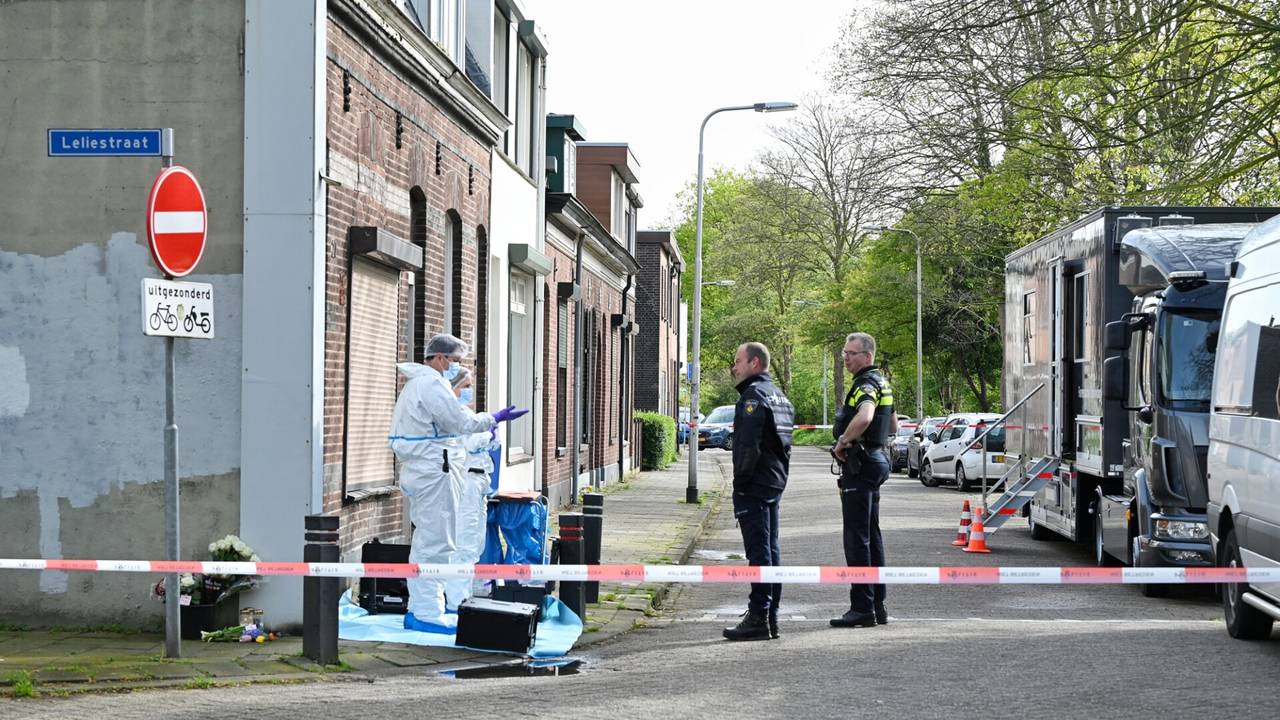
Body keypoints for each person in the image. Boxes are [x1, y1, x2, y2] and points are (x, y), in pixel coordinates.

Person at [388, 333, 527, 633]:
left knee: (433, 538)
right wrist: (493, 419)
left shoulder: (418, 385)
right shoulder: (431, 384)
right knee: (437, 542)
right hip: (435, 470)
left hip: (428, 468)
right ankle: (427, 613)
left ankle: (423, 609)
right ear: (440, 357)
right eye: (456, 361)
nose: (458, 368)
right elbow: (459, 422)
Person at [722, 342, 795, 641]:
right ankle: (770, 616)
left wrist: (740, 484)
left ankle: (758, 616)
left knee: (759, 553)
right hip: (774, 482)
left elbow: (747, 447)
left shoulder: (753, 397)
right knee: (771, 550)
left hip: (756, 485)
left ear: (754, 363)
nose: (734, 367)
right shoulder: (781, 397)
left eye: (737, 361)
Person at [831, 332, 896, 628]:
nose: (846, 357)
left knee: (857, 539)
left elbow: (866, 416)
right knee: (872, 536)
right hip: (877, 459)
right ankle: (877, 605)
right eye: (845, 352)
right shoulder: (883, 382)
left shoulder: (865, 384)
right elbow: (892, 423)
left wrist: (843, 441)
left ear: (867, 357)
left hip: (862, 463)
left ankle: (862, 608)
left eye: (851, 353)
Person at [445, 366, 499, 609]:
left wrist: (490, 435)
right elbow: (467, 442)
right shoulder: (449, 414)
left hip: (479, 483)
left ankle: (464, 596)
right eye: (465, 386)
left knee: (475, 543)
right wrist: (487, 434)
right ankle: (455, 601)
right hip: (466, 482)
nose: (469, 391)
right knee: (463, 541)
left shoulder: (465, 414)